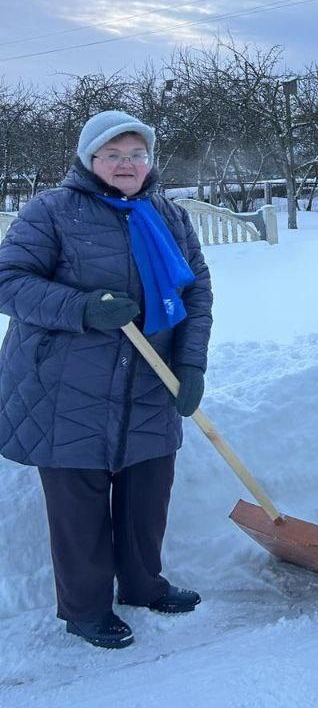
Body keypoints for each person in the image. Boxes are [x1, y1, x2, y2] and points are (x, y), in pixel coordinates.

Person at [0, 111, 213, 649]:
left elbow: (196, 292)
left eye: (137, 154)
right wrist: (82, 308)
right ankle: (85, 608)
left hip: (151, 377)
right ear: (89, 159)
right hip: (64, 386)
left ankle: (143, 585)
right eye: (113, 154)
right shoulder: (51, 210)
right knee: (79, 504)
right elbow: (8, 281)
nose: (126, 164)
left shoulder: (167, 215)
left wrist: (191, 364)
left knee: (148, 490)